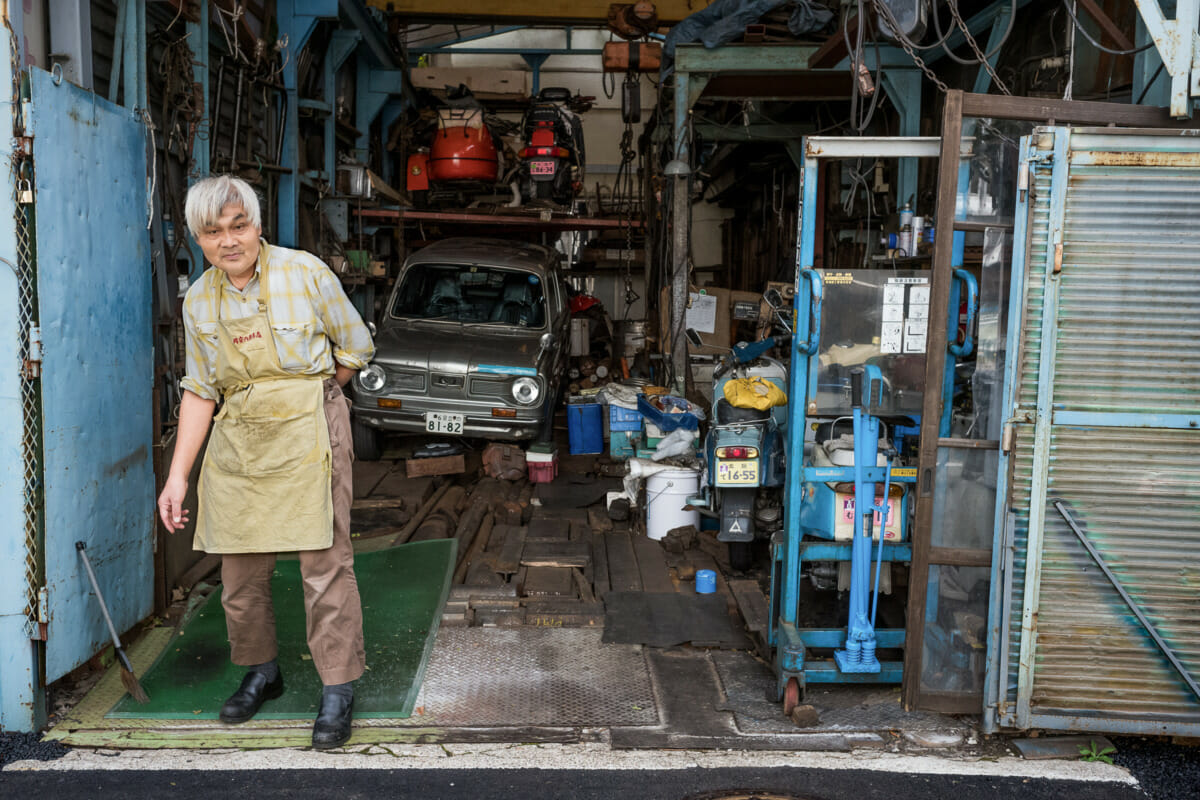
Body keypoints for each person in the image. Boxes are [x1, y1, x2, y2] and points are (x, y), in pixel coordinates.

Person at [157, 175, 374, 750]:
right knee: (239, 576)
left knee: (324, 564)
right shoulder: (198, 299)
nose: (229, 241)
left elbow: (354, 348)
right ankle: (262, 670)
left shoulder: (305, 273)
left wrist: (317, 398)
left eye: (239, 225)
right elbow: (201, 390)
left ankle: (337, 687)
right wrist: (178, 476)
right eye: (213, 231)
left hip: (309, 427)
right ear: (197, 239)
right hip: (240, 438)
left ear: (257, 226)